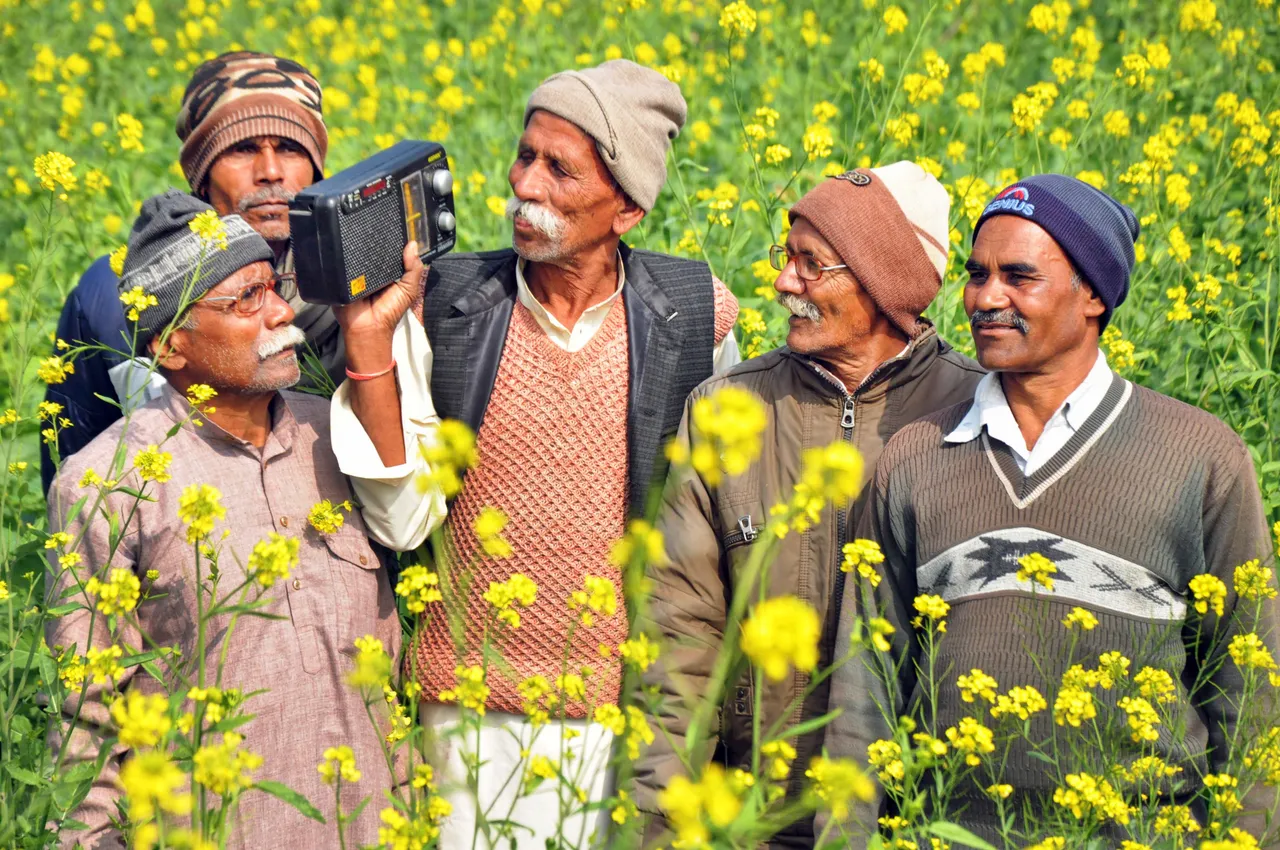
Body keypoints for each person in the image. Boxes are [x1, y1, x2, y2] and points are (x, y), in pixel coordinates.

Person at [329, 59, 740, 848]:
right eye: (525, 156)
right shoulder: (447, 306)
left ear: (627, 206)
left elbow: (713, 530)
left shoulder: (696, 316)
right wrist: (370, 346)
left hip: (627, 714)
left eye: (560, 169)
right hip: (466, 715)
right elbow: (403, 520)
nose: (526, 185)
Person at [824, 175, 1278, 842]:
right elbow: (865, 686)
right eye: (977, 275)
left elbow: (1252, 692)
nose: (986, 298)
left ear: (1092, 292)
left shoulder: (1200, 456)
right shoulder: (916, 456)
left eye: (1018, 276)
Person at [47, 191, 422, 849]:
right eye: (244, 300)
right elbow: (87, 729)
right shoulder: (108, 485)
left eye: (272, 289)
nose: (281, 313)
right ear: (170, 346)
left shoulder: (334, 433)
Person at [633, 162, 984, 847]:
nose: (783, 283)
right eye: (784, 257)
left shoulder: (975, 415)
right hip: (756, 816)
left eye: (811, 265)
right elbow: (678, 644)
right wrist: (658, 824)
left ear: (887, 285)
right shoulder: (726, 409)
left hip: (920, 819)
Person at [42, 50, 338, 493]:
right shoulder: (114, 294)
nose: (270, 172)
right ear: (200, 174)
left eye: (292, 149)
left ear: (316, 170)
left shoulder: (363, 279)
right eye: (242, 149)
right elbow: (75, 480)